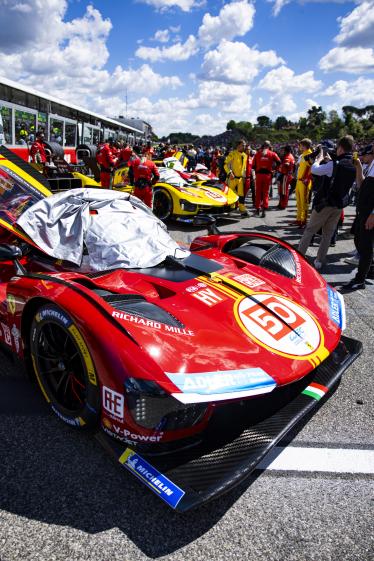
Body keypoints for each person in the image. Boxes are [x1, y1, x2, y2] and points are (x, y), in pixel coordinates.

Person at [298, 135, 356, 270]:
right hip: (339, 204)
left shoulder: (334, 164)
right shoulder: (353, 164)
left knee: (309, 230)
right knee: (327, 234)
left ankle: (299, 258)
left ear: (340, 147)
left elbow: (315, 170)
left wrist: (318, 159)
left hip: (325, 202)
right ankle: (319, 261)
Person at [341, 144, 374, 290]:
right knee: (358, 240)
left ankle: (360, 279)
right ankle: (367, 269)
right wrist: (359, 167)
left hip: (370, 214)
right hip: (363, 212)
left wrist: (373, 215)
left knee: (366, 246)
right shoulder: (370, 165)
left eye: (365, 154)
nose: (363, 156)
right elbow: (360, 185)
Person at [252, 140, 280, 217]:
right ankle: (264, 209)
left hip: (259, 175)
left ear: (263, 145)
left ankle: (257, 209)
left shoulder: (257, 154)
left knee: (258, 192)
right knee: (265, 193)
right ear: (269, 146)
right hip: (267, 175)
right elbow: (279, 162)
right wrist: (275, 170)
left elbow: (253, 166)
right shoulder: (272, 154)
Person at [224, 139, 248, 217]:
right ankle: (231, 208)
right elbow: (225, 165)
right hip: (232, 178)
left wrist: (244, 177)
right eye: (243, 145)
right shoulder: (232, 154)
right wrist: (229, 173)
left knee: (241, 195)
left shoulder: (245, 155)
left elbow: (244, 168)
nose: (244, 146)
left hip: (241, 179)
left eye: (245, 145)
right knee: (231, 193)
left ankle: (242, 208)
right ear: (238, 145)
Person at [294, 139, 312, 227]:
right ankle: (298, 219)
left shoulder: (310, 154)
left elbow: (311, 168)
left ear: (304, 145)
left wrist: (307, 179)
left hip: (304, 182)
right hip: (299, 180)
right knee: (298, 201)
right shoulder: (303, 154)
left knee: (304, 201)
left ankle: (303, 220)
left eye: (301, 145)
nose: (300, 147)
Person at [278, 145, 295, 209]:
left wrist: (282, 165)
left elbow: (287, 164)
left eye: (284, 150)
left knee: (284, 191)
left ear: (286, 150)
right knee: (283, 191)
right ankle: (282, 204)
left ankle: (283, 205)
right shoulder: (291, 155)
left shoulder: (288, 156)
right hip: (287, 175)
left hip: (286, 175)